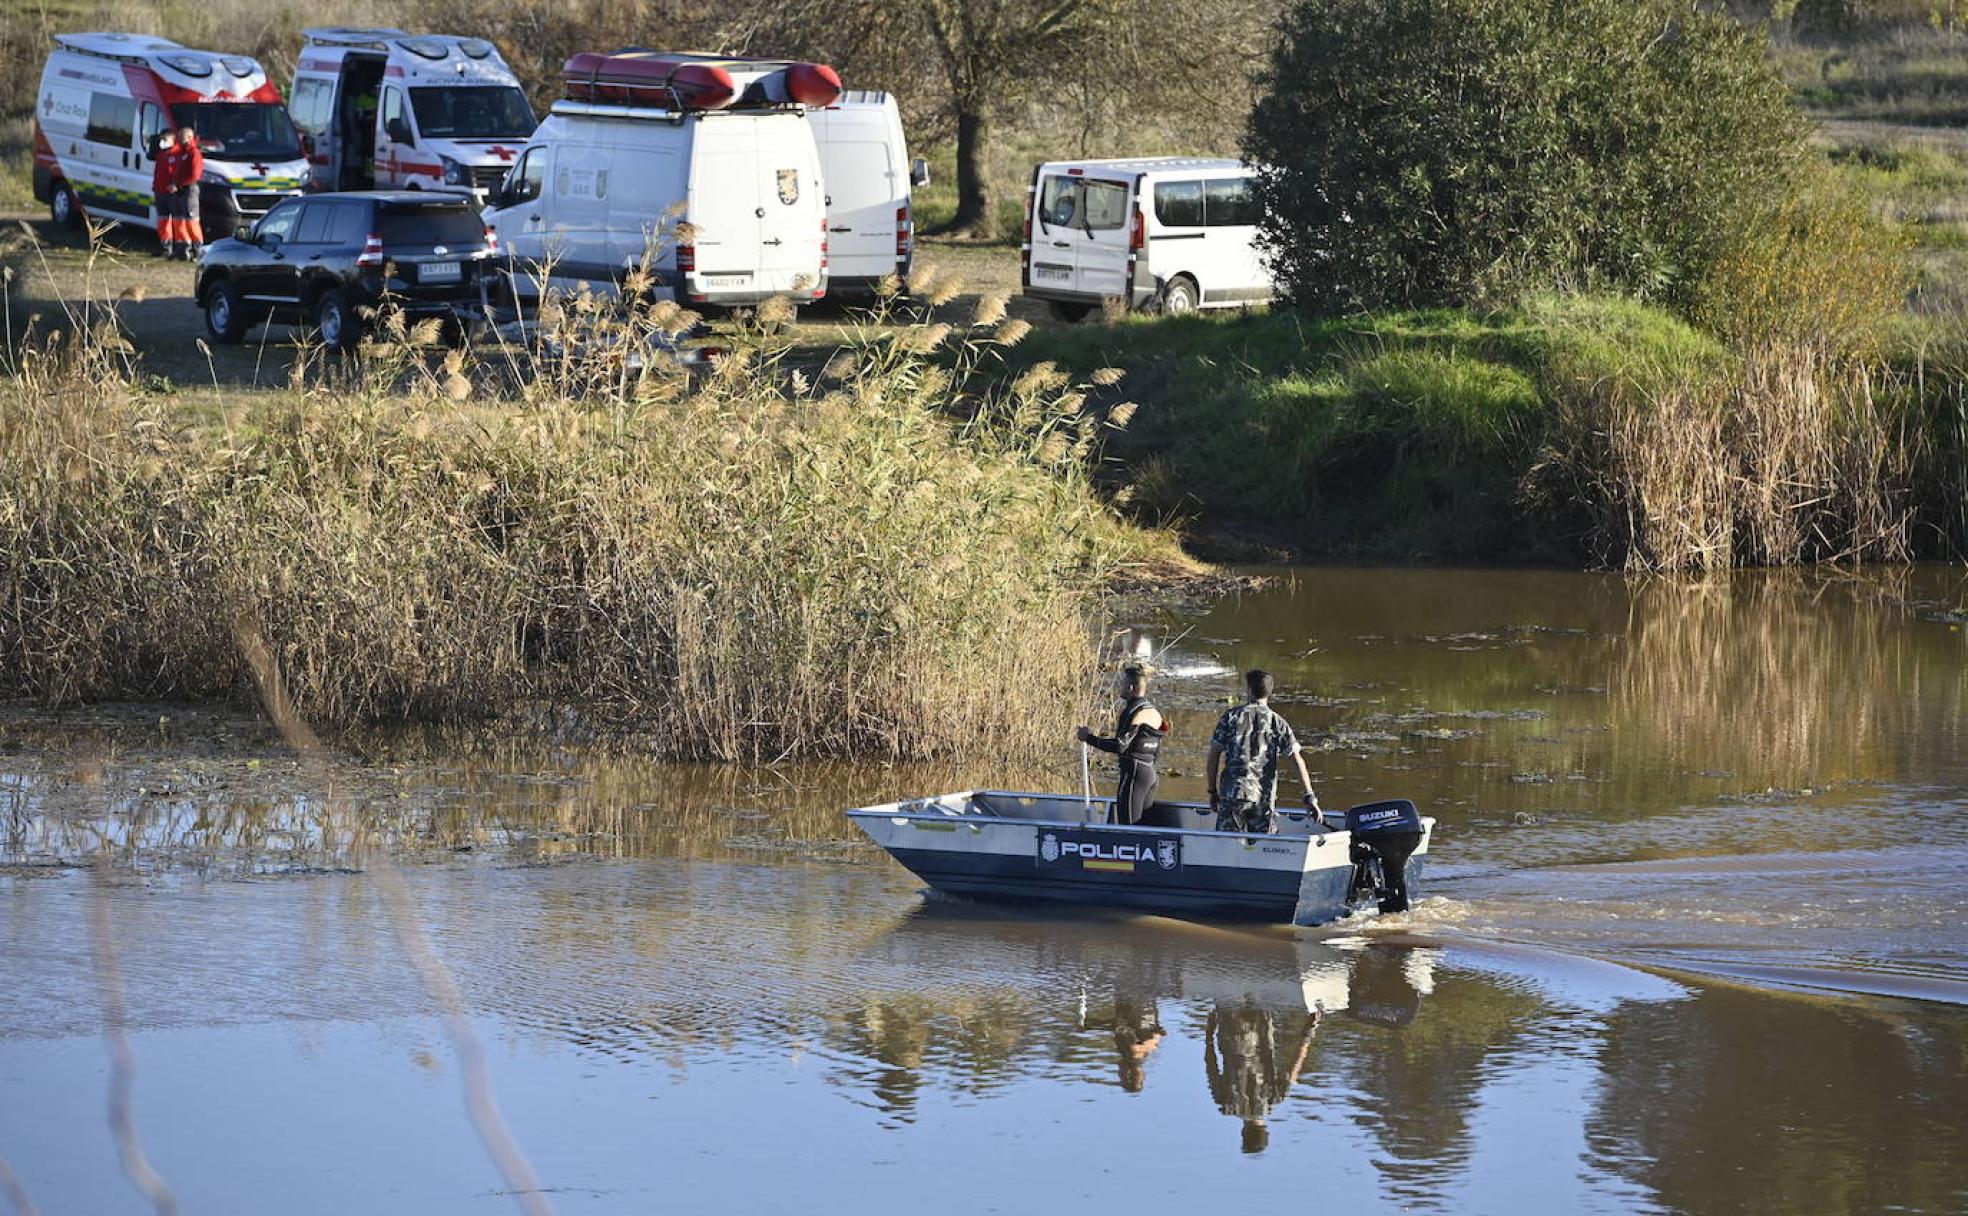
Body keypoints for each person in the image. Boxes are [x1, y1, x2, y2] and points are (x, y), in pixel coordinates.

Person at [1205, 669, 1319, 834]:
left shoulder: (1231, 718)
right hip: (1263, 798)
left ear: (1250, 690)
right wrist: (1309, 796)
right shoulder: (1278, 722)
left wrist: (1212, 791)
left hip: (1233, 794)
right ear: (1269, 692)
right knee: (1263, 845)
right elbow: (1296, 760)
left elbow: (1213, 756)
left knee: (1227, 843)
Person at [1204, 1001, 1321, 1153]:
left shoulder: (1274, 1098)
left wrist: (1308, 1031)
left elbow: (1295, 1065)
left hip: (1260, 1029)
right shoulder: (1226, 1104)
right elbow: (1211, 1064)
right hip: (1231, 1031)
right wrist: (1209, 1033)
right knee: (1230, 993)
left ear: (1266, 1130)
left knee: (1258, 993)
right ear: (1243, 1132)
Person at [1075, 664, 1166, 825]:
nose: (1120, 687)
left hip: (1134, 776)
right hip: (1150, 774)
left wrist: (1088, 738)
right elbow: (1155, 750)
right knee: (1144, 828)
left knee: (1128, 829)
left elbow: (1119, 746)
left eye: (1122, 684)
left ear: (1130, 688)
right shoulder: (1155, 712)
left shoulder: (1132, 711)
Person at [170, 123, 205, 258]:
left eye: (182, 137)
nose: (179, 139)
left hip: (189, 189)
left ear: (190, 137)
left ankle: (198, 249)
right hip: (180, 189)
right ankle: (183, 247)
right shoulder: (182, 152)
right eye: (179, 137)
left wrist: (179, 184)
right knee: (179, 219)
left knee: (191, 219)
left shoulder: (194, 153)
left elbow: (195, 175)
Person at [150, 127, 183, 258]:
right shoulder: (161, 154)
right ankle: (165, 246)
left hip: (172, 192)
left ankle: (179, 248)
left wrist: (176, 185)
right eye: (161, 139)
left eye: (165, 139)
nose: (162, 141)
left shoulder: (178, 153)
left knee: (176, 221)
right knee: (162, 220)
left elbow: (179, 173)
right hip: (160, 190)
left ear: (172, 139)